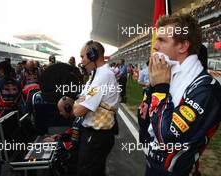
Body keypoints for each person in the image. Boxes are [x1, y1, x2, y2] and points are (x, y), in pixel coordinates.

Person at [137, 14, 221, 176]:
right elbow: (145, 124)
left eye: (161, 40)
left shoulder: (207, 89)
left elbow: (168, 139)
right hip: (151, 166)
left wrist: (161, 89)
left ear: (182, 46)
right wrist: (152, 89)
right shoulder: (167, 75)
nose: (154, 46)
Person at [72, 40, 119, 176]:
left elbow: (78, 110)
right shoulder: (96, 74)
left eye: (82, 57)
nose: (81, 61)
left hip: (96, 136)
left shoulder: (103, 76)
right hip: (94, 135)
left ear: (93, 55)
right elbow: (80, 98)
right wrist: (79, 101)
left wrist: (79, 103)